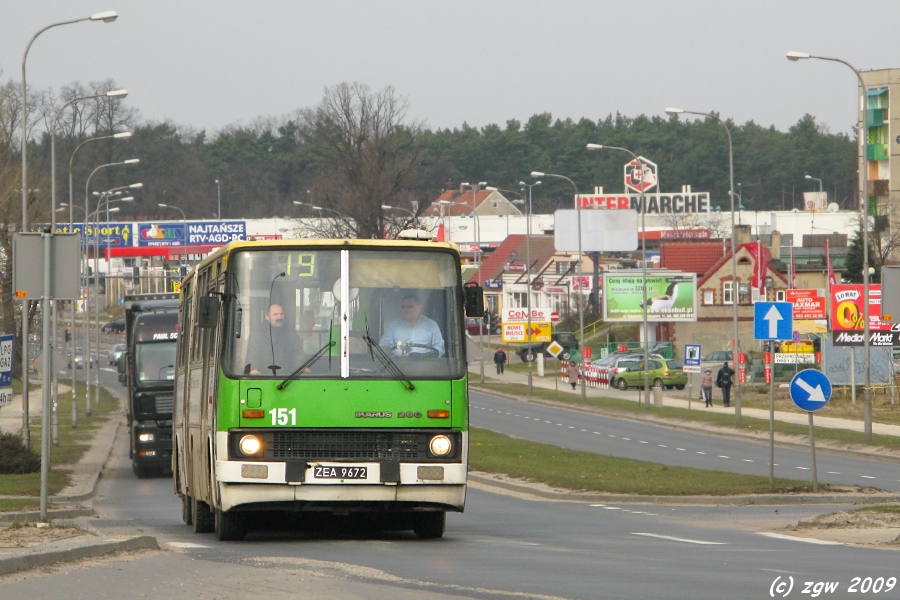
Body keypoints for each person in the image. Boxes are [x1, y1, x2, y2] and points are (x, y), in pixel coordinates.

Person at [379, 294, 444, 356]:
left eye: (409, 306)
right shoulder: (393, 325)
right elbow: (384, 345)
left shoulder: (431, 325)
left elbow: (439, 347)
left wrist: (429, 356)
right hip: (397, 365)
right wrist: (388, 353)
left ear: (420, 308)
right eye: (403, 307)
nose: (405, 309)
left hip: (424, 364)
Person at [248, 303, 301, 375]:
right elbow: (252, 353)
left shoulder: (290, 333)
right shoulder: (258, 334)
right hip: (263, 377)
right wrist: (253, 369)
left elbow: (298, 353)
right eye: (275, 314)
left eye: (281, 314)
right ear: (267, 317)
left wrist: (301, 366)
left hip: (288, 377)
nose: (279, 317)